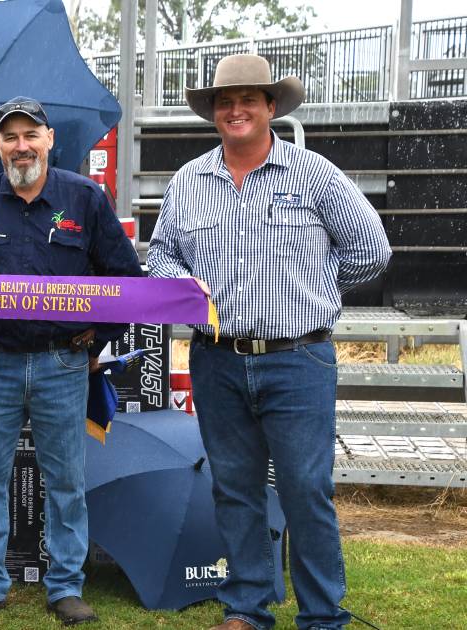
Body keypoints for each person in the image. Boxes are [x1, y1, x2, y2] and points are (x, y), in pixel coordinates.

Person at [147, 54, 391, 630]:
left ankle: (322, 614)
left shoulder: (314, 174)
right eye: (225, 102)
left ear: (271, 108)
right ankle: (247, 608)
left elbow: (371, 250)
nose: (236, 110)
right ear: (212, 113)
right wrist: (181, 288)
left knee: (307, 490)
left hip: (298, 359)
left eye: (248, 101)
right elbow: (160, 255)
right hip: (216, 358)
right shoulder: (187, 182)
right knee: (235, 490)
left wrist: (314, 290)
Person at [0, 96, 142, 626]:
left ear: (50, 139)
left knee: (65, 479)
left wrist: (99, 336)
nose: (21, 146)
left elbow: (127, 279)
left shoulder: (85, 199)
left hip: (63, 363)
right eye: (10, 137)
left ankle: (65, 586)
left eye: (30, 135)